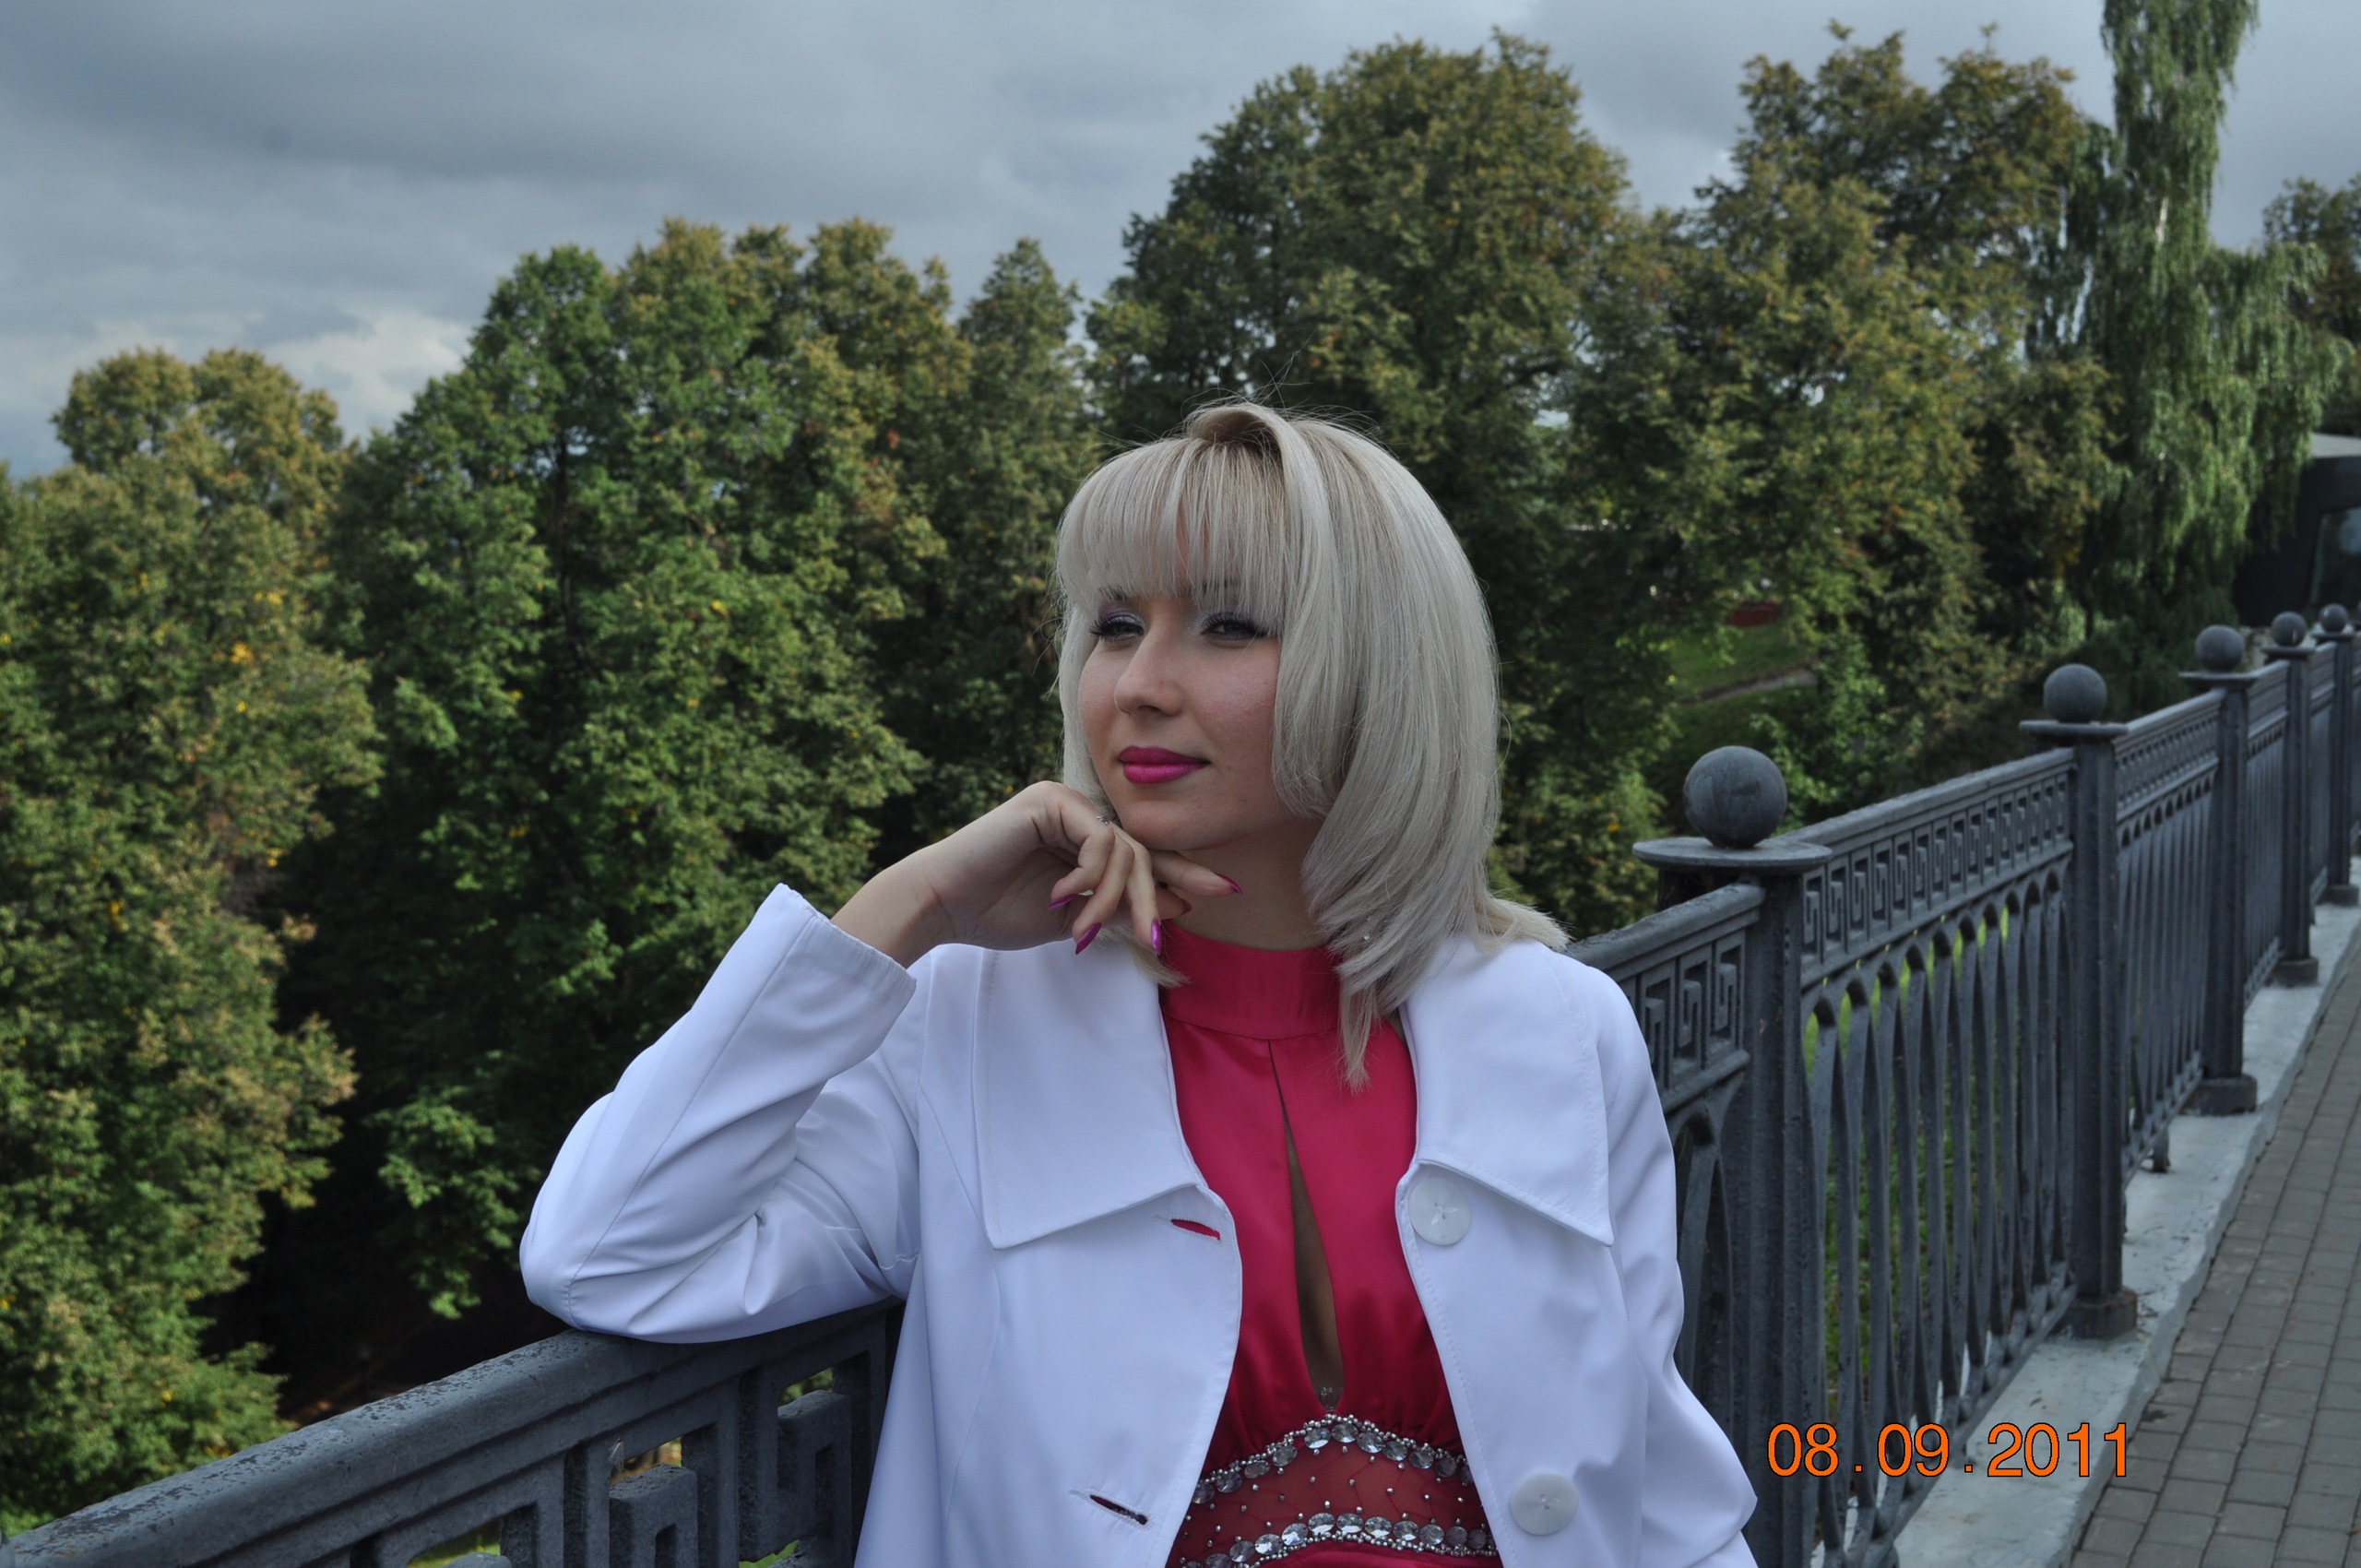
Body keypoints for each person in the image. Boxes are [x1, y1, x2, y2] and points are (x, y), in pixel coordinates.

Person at [519, 404, 1759, 1567]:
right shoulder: (968, 1021)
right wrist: (906, 913)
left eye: (1228, 625)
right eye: (1116, 624)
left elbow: (1660, 1489)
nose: (1139, 685)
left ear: (1380, 669)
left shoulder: (1564, 1028)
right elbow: (611, 1253)